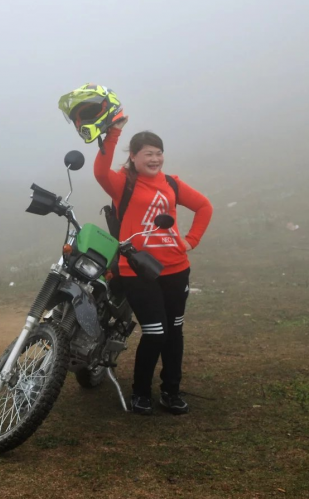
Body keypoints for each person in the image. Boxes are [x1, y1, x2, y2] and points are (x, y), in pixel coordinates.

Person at [92, 116, 213, 415]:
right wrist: (114, 132)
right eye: (148, 153)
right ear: (133, 157)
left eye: (159, 153)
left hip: (176, 268)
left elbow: (204, 206)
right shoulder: (122, 184)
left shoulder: (171, 183)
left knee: (174, 331)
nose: (155, 158)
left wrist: (190, 240)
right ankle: (141, 393)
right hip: (138, 270)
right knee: (156, 331)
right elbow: (100, 170)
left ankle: (171, 392)